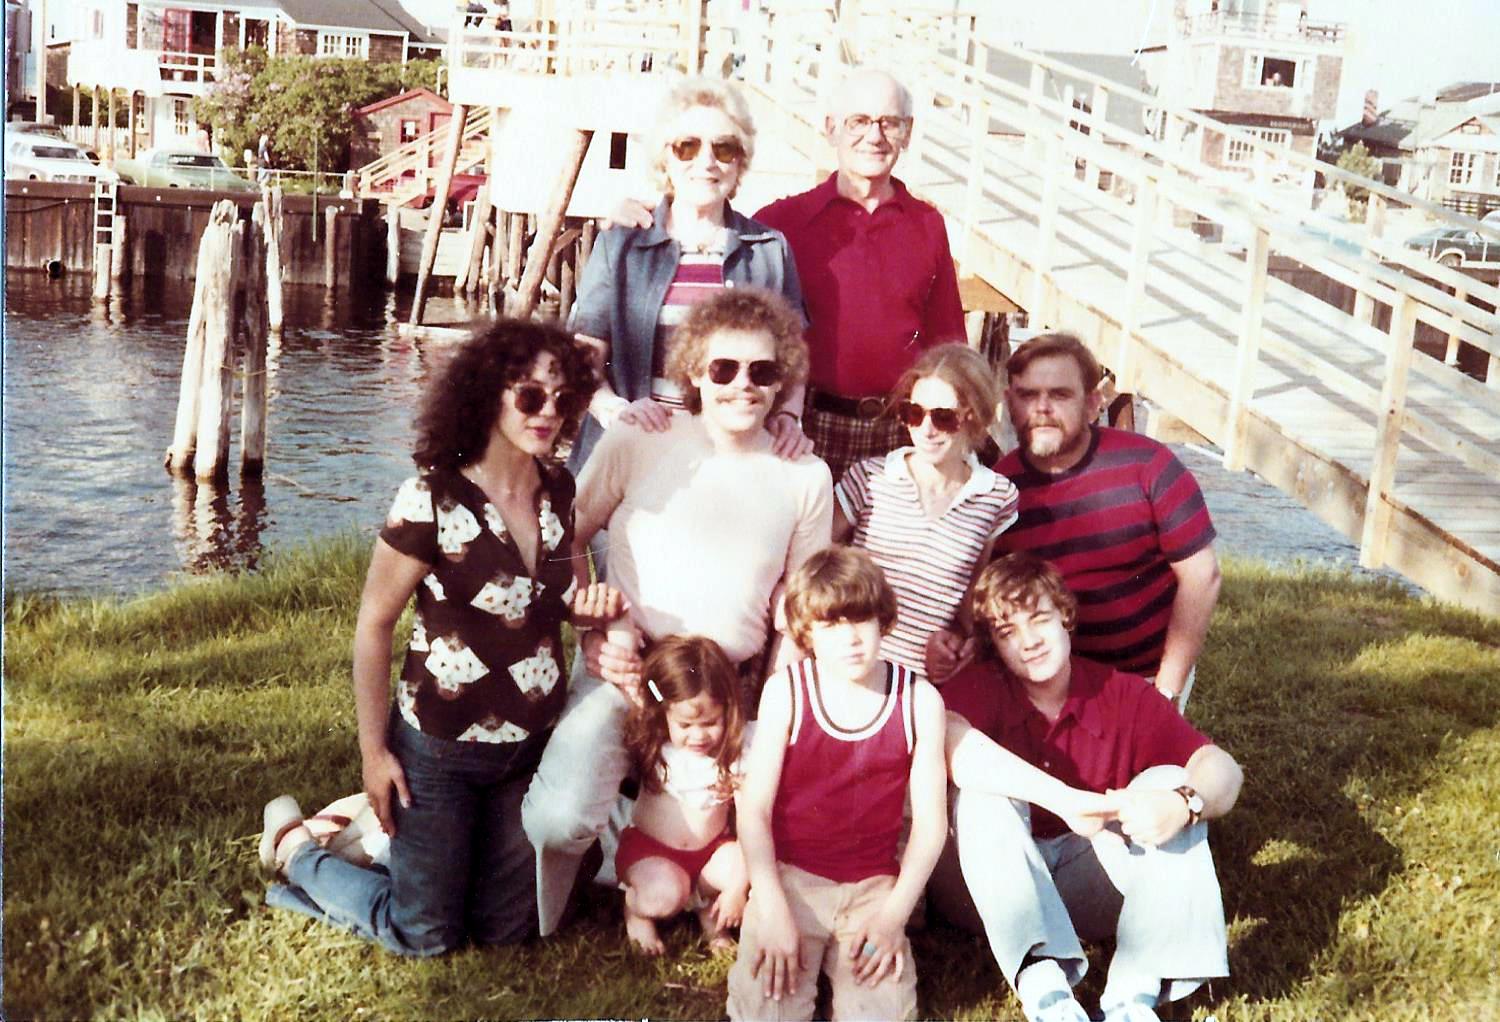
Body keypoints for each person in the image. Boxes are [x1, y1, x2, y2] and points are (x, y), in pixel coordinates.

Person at [256, 319, 611, 955]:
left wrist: (591, 614)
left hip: (529, 748)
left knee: (505, 932)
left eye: (562, 399)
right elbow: (374, 626)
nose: (548, 413)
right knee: (427, 935)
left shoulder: (558, 489)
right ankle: (297, 850)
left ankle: (399, 849)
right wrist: (374, 753)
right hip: (440, 752)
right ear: (489, 394)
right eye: (530, 396)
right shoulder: (432, 498)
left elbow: (565, 591)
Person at [522, 286, 833, 938]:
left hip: (727, 690)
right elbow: (566, 537)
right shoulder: (642, 439)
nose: (742, 385)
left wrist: (775, 707)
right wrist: (591, 624)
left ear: (781, 381)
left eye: (762, 371)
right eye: (724, 368)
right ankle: (610, 849)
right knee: (558, 820)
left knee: (800, 822)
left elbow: (800, 608)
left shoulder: (804, 476)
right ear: (694, 371)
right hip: (629, 668)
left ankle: (679, 859)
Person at [610, 68, 966, 483]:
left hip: (901, 429)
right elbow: (707, 227)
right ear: (831, 128)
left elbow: (949, 343)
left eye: (889, 123)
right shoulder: (781, 225)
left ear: (908, 132)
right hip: (802, 427)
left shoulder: (927, 225)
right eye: (859, 121)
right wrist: (635, 215)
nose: (875, 136)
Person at [931, 553, 1243, 1022]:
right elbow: (952, 743)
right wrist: (1067, 801)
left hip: (1084, 882)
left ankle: (1133, 1001)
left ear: (1065, 616)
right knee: (982, 794)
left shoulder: (1119, 693)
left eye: (1039, 619)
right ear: (994, 643)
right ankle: (1047, 996)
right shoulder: (977, 688)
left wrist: (1184, 804)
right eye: (1008, 631)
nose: (1029, 642)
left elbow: (1222, 769)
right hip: (988, 889)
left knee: (1172, 783)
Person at [726, 546, 946, 1021]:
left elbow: (931, 827)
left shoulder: (918, 700)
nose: (849, 639)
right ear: (807, 632)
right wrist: (772, 908)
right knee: (767, 1010)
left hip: (872, 889)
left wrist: (893, 917)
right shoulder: (788, 690)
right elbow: (754, 810)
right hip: (791, 880)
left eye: (860, 620)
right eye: (830, 625)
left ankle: (846, 983)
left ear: (883, 619)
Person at [959, 333, 1222, 710]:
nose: (1042, 408)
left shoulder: (1150, 466)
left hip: (1146, 677)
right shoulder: (998, 490)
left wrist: (1167, 690)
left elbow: (1202, 576)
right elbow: (977, 593)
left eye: (1060, 395)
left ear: (1093, 404)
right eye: (1028, 395)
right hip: (1044, 677)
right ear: (1009, 402)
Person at [569, 76, 808, 472]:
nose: (707, 161)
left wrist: (788, 417)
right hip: (631, 459)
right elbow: (582, 356)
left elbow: (793, 360)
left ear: (740, 161)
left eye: (724, 148)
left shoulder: (769, 250)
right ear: (665, 157)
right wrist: (614, 410)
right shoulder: (621, 243)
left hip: (727, 467)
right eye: (688, 146)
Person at [834, 343, 1017, 680]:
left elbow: (968, 603)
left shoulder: (996, 497)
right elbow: (815, 568)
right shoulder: (870, 477)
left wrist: (961, 643)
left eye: (943, 417)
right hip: (844, 669)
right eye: (914, 413)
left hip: (916, 685)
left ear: (973, 415)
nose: (926, 429)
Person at [617, 635, 752, 955]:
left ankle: (708, 910)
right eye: (686, 724)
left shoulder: (735, 753)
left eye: (710, 722)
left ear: (727, 710)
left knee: (747, 862)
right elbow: (641, 691)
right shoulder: (655, 742)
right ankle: (635, 910)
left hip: (711, 851)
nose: (698, 735)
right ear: (664, 713)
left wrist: (737, 887)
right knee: (664, 896)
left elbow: (751, 820)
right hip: (652, 853)